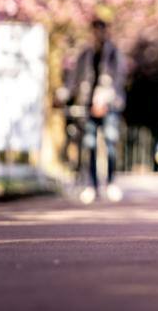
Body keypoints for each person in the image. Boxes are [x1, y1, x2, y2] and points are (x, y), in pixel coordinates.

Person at [60, 18, 126, 204]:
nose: (98, 34)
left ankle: (110, 182)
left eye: (101, 30)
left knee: (110, 143)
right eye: (95, 31)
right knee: (89, 145)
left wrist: (104, 100)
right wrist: (63, 95)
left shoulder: (114, 54)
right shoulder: (85, 54)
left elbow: (118, 81)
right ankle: (93, 185)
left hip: (109, 106)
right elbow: (74, 80)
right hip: (87, 105)